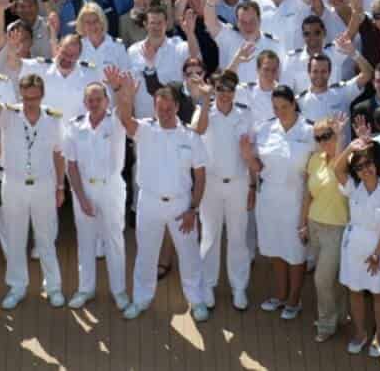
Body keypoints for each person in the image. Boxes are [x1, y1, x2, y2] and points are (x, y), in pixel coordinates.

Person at [106, 67, 210, 323]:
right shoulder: (145, 129)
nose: (164, 113)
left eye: (168, 109)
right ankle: (141, 300)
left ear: (177, 107)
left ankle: (197, 301)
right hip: (149, 203)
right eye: (159, 109)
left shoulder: (191, 137)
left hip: (181, 205)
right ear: (154, 108)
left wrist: (193, 209)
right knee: (146, 255)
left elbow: (200, 177)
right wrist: (122, 92)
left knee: (189, 256)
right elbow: (125, 119)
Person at [0, 70, 65, 309]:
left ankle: (53, 286)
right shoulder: (10, 114)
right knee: (15, 239)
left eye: (34, 98)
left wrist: (60, 186)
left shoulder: (53, 118)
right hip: (13, 184)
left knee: (46, 239)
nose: (29, 103)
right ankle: (17, 287)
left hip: (43, 184)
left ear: (42, 95)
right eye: (25, 98)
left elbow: (59, 154)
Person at [241, 85, 314, 321]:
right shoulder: (265, 129)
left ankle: (294, 300)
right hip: (269, 199)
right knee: (275, 249)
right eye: (275, 108)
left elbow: (314, 172)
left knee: (295, 252)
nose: (280, 112)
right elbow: (258, 166)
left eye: (284, 106)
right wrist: (247, 156)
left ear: (294, 104)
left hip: (296, 200)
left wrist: (305, 215)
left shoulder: (309, 131)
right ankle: (281, 295)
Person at [190, 69, 255, 311]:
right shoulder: (204, 110)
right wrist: (205, 99)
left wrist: (252, 185)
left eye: (229, 89)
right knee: (210, 236)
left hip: (239, 182)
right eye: (220, 89)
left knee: (238, 237)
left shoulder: (245, 114)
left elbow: (251, 151)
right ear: (213, 90)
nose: (225, 94)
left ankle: (239, 287)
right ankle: (208, 285)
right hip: (211, 183)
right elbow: (198, 130)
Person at [333, 137, 380, 358]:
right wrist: (349, 148)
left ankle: (379, 336)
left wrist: (376, 254)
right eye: (359, 167)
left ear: (376, 163)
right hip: (353, 248)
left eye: (368, 163)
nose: (365, 170)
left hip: (377, 251)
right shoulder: (353, 188)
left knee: (378, 293)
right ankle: (360, 333)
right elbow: (337, 169)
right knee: (354, 291)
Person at [62, 80, 129, 311]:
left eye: (98, 99)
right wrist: (81, 198)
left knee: (114, 241)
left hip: (110, 188)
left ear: (107, 101)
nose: (94, 103)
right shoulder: (75, 126)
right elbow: (71, 165)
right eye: (90, 100)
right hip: (84, 189)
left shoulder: (116, 121)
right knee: (86, 241)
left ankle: (119, 291)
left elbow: (125, 107)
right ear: (84, 102)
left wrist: (119, 89)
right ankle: (85, 289)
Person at [300, 115, 349, 343]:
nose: (322, 141)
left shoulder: (347, 158)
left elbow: (341, 170)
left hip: (337, 228)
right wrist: (302, 224)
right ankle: (340, 314)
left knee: (322, 279)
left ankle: (326, 323)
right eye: (318, 138)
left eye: (327, 136)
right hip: (315, 224)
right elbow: (308, 195)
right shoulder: (314, 160)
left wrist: (340, 138)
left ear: (336, 135)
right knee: (331, 278)